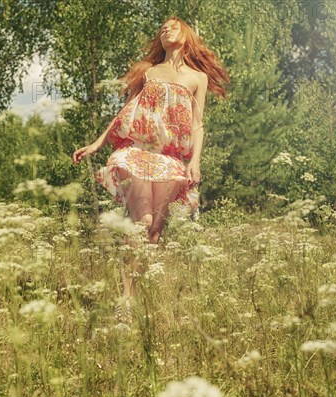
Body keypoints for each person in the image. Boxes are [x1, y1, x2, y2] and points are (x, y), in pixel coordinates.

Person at [72, 16, 229, 306]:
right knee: (142, 223)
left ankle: (137, 297)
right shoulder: (148, 72)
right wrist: (96, 144)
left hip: (170, 159)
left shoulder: (198, 78)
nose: (166, 30)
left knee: (155, 232)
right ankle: (126, 301)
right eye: (162, 29)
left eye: (173, 26)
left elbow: (197, 123)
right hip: (138, 153)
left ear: (187, 35)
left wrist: (195, 161)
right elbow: (126, 111)